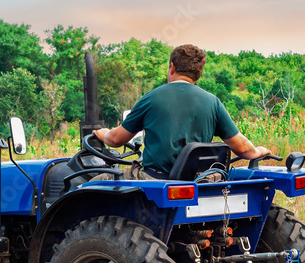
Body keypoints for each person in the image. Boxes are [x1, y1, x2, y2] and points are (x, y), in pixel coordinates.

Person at [92, 44, 270, 179]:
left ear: (172, 67)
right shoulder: (213, 102)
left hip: (155, 179)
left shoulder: (151, 98)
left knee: (94, 183)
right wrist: (259, 150)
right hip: (198, 181)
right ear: (198, 73)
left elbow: (116, 140)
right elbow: (244, 149)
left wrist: (103, 134)